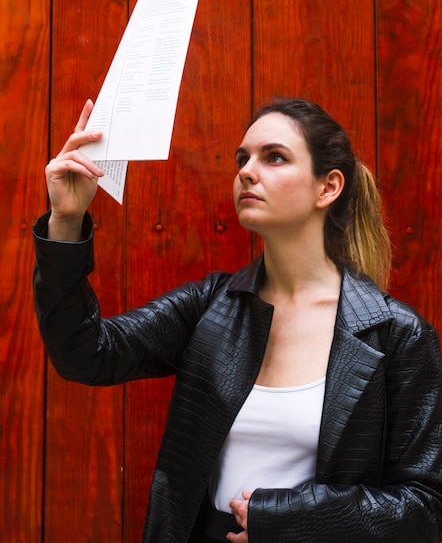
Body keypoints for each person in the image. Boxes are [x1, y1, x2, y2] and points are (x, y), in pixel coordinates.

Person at [33, 96, 442, 543]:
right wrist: (67, 221)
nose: (246, 170)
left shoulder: (395, 335)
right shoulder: (213, 304)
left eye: (275, 157)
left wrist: (285, 519)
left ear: (328, 187)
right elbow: (86, 354)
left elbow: (424, 507)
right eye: (242, 158)